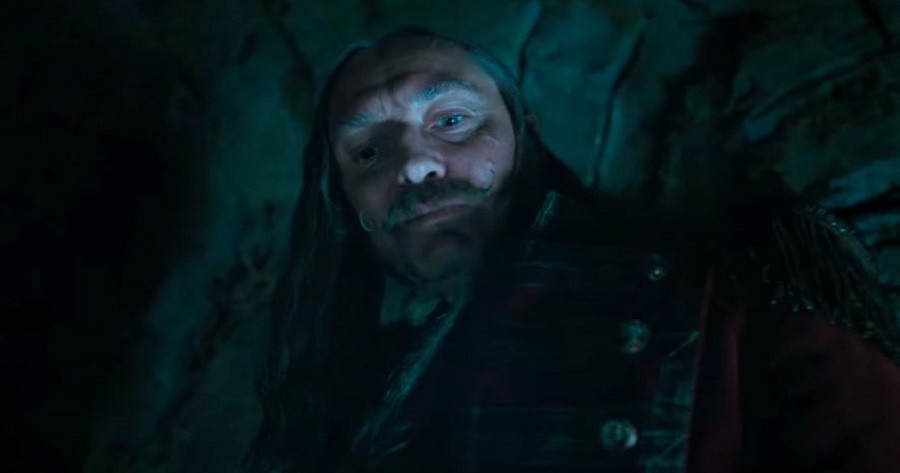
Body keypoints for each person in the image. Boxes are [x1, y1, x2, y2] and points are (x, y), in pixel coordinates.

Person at [247, 28, 900, 473]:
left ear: (524, 135)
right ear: (344, 200)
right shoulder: (346, 399)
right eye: (368, 151)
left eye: (452, 121)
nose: (416, 164)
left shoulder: (723, 298)